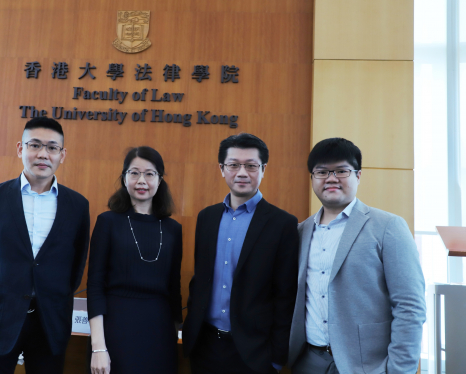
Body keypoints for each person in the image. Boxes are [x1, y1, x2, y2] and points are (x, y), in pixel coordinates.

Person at [288, 138, 426, 374]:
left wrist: (398, 370)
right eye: (321, 172)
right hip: (307, 361)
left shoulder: (388, 227)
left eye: (341, 170)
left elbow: (410, 306)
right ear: (312, 178)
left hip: (368, 365)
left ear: (358, 175)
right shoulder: (300, 231)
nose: (331, 178)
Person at [0, 117, 90, 374]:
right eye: (35, 145)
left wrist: (57, 294)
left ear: (62, 154)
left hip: (49, 322)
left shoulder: (78, 206)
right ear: (20, 149)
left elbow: (77, 263)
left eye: (52, 147)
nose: (43, 154)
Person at [182, 133, 299, 374]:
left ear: (263, 169)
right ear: (222, 169)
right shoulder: (207, 217)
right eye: (234, 165)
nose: (242, 172)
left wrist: (276, 358)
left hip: (254, 353)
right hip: (204, 346)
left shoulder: (283, 224)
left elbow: (285, 295)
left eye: (251, 166)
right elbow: (200, 280)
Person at [87, 146, 182, 374]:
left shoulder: (173, 229)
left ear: (159, 181)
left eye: (149, 174)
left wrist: (176, 330)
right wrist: (98, 347)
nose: (142, 180)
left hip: (160, 331)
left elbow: (174, 287)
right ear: (124, 178)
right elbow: (95, 285)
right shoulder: (107, 222)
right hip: (117, 327)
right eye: (134, 173)